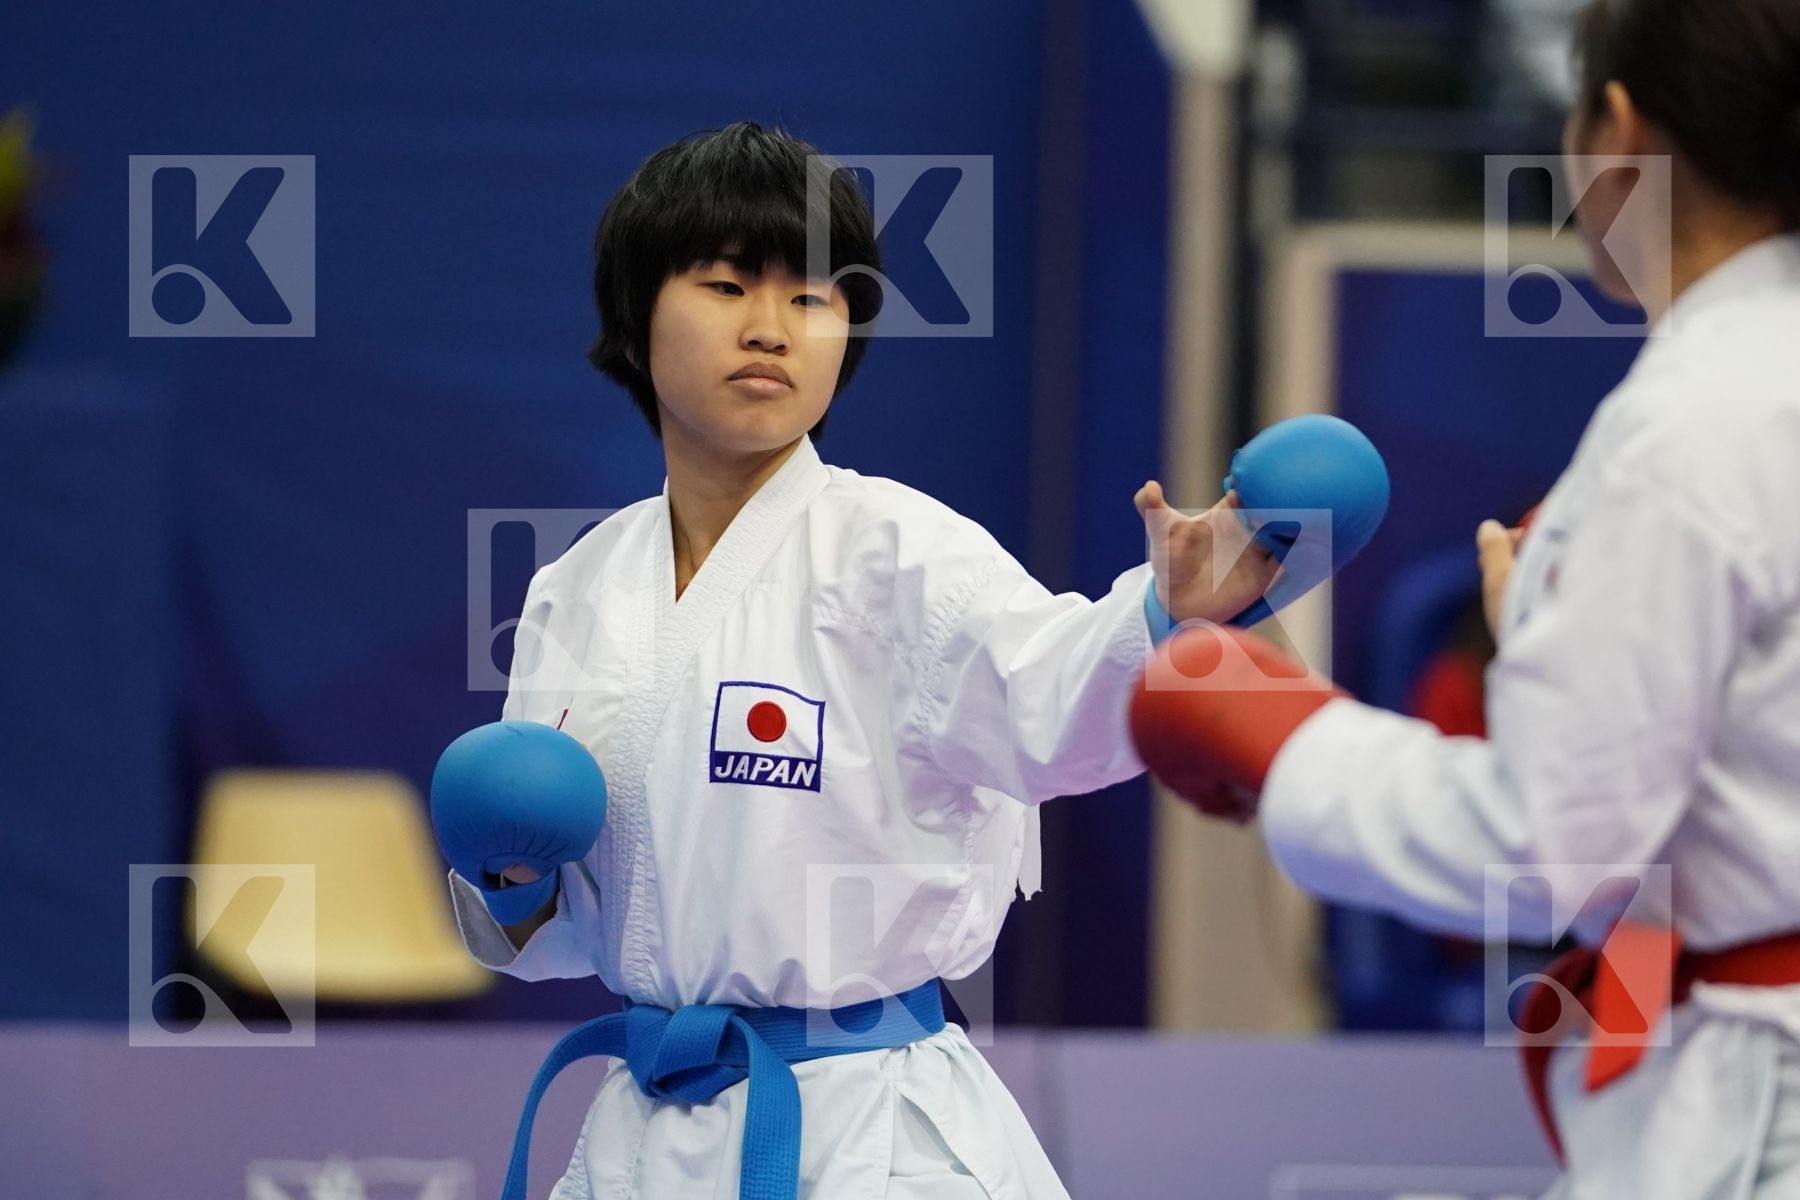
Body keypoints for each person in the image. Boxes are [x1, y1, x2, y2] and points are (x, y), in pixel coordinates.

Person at [442, 120, 1280, 1200]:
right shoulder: (582, 587)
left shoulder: (900, 555)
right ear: (634, 315)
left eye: (811, 297)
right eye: (726, 285)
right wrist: (510, 877)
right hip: (646, 1134)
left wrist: (1165, 618)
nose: (772, 330)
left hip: (868, 1130)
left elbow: (1054, 698)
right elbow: (560, 930)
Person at [1129, 1, 1800, 1196]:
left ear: (1621, 130)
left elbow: (1559, 846)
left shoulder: (1693, 423)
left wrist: (1289, 740)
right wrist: (1566, 631)